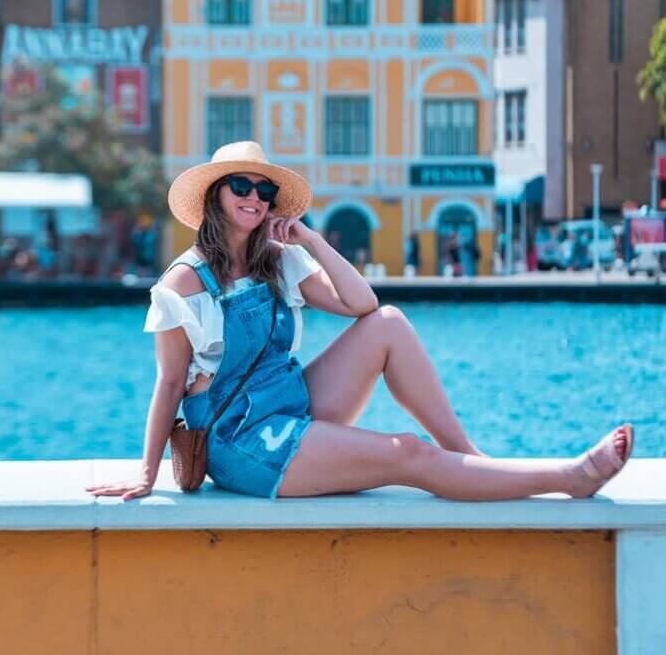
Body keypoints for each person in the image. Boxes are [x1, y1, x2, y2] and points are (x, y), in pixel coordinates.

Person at [86, 140, 633, 503]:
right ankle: (568, 478)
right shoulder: (183, 284)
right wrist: (146, 473)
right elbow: (167, 383)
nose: (255, 198)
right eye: (242, 187)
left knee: (390, 323)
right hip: (242, 441)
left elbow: (362, 306)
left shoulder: (277, 260)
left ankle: (470, 459)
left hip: (291, 402)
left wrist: (312, 239)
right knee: (408, 453)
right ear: (215, 196)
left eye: (265, 190)